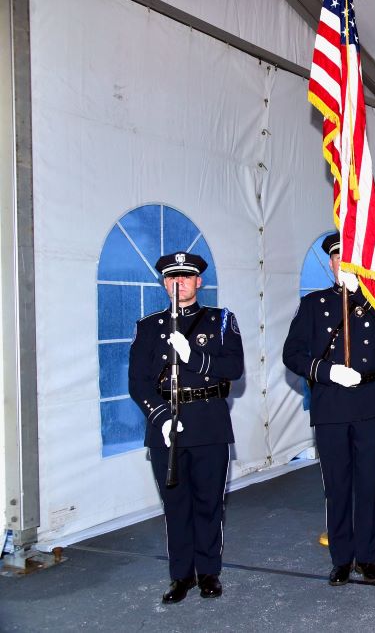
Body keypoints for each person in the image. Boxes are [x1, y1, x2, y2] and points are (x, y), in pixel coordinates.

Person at [282, 233, 375, 586]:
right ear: (332, 264)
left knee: (368, 486)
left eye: (348, 258)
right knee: (336, 486)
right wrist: (327, 370)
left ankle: (367, 557)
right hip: (331, 405)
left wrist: (369, 290)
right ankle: (341, 558)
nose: (341, 264)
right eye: (337, 259)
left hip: (368, 403)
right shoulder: (314, 304)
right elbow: (292, 354)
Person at [128, 252, 244, 603]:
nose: (178, 284)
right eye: (172, 278)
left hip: (208, 420)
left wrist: (195, 356)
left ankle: (209, 572)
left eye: (186, 277)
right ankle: (181, 576)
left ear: (199, 282)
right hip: (167, 426)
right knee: (175, 505)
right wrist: (161, 417)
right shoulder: (148, 327)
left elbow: (234, 367)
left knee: (210, 503)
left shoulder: (221, 320)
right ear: (164, 283)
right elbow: (137, 383)